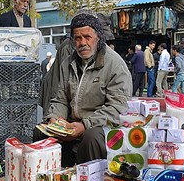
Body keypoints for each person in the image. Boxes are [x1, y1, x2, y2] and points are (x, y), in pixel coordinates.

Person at [33, 10, 132, 167]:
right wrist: (55, 118)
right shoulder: (67, 63)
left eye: (87, 37)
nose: (82, 43)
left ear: (98, 38)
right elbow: (60, 99)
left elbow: (117, 107)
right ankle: (54, 180)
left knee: (91, 136)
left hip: (101, 126)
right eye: (78, 38)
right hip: (72, 124)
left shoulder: (115, 64)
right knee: (42, 131)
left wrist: (86, 124)